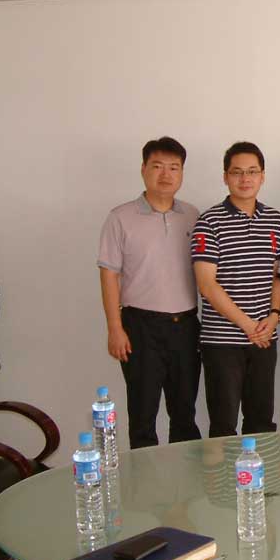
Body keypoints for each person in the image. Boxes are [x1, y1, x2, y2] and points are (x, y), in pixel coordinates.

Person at [97, 136, 201, 448]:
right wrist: (115, 328)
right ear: (143, 169)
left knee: (185, 414)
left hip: (185, 326)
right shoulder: (120, 217)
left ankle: (184, 478)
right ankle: (145, 479)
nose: (166, 174)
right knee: (143, 415)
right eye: (157, 166)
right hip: (140, 327)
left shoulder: (193, 216)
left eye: (174, 167)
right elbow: (109, 274)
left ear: (182, 173)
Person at [191, 142, 280, 438]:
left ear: (263, 176)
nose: (245, 179)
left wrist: (274, 316)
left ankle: (259, 471)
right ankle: (224, 473)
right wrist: (247, 325)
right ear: (225, 177)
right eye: (237, 172)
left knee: (261, 422)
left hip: (264, 338)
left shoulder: (275, 220)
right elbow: (207, 285)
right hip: (222, 342)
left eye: (252, 172)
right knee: (223, 425)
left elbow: (277, 275)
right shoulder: (209, 221)